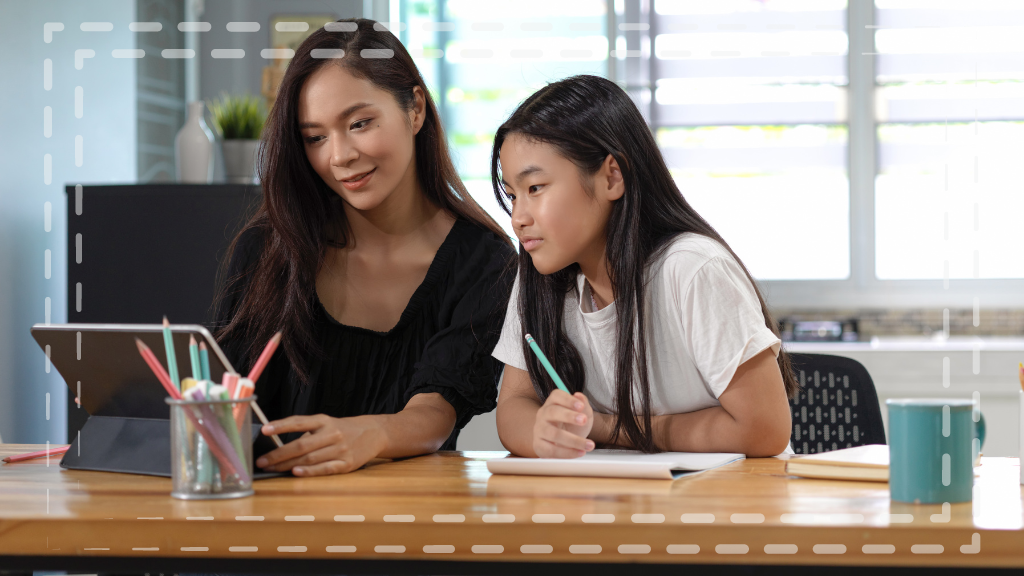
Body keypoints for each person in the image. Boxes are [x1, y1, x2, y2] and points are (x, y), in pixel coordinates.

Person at [214, 19, 515, 476]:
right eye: (315, 137)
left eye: (359, 123)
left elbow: (436, 410)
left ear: (415, 109)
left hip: (405, 524)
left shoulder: (485, 262)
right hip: (266, 520)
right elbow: (223, 398)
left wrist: (375, 434)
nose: (339, 156)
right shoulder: (268, 250)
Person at [490, 75, 797, 459]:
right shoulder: (540, 272)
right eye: (512, 194)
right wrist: (542, 431)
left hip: (731, 505)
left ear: (611, 177)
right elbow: (513, 408)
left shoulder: (693, 270)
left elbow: (763, 430)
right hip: (621, 506)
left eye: (535, 188)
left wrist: (607, 427)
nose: (518, 217)